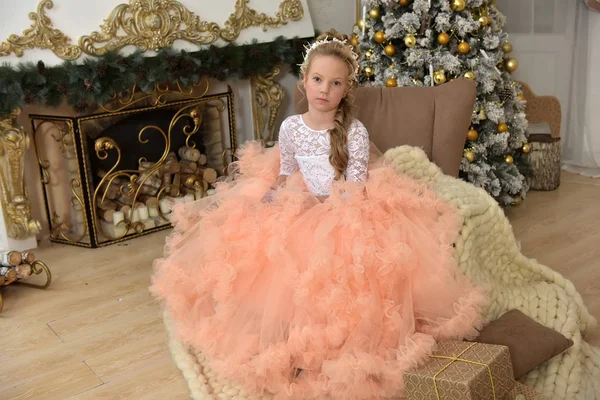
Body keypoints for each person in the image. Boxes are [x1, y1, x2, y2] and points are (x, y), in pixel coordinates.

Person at [150, 31, 487, 400]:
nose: (324, 89)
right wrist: (276, 196)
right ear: (305, 80)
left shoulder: (353, 133)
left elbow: (355, 187)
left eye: (335, 83)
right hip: (301, 197)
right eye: (317, 79)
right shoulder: (291, 127)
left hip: (341, 207)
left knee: (334, 262)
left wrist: (323, 207)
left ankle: (325, 343)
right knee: (263, 246)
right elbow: (286, 170)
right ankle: (281, 332)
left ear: (345, 91)